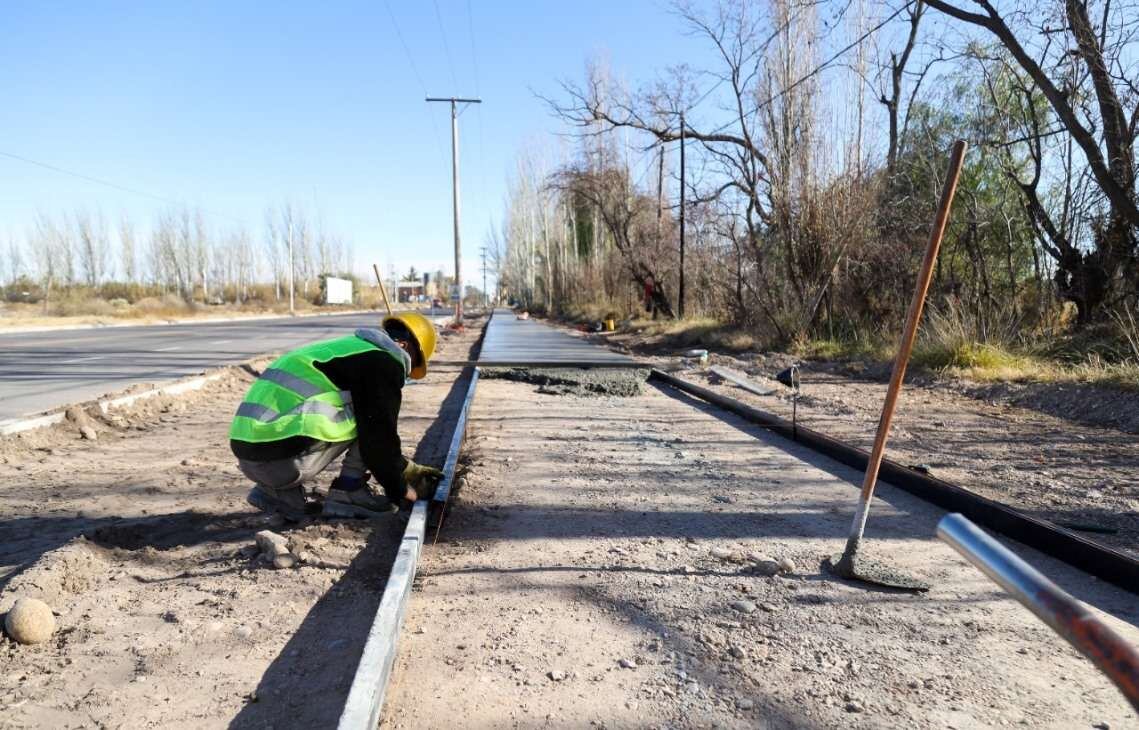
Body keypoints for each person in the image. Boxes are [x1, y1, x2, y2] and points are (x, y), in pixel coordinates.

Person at [229, 313, 443, 520]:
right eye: (412, 365)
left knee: (368, 412)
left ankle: (278, 493)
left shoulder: (347, 349)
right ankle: (349, 490)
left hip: (250, 457)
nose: (406, 373)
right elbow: (378, 439)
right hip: (281, 463)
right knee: (370, 417)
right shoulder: (384, 362)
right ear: (404, 346)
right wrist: (400, 488)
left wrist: (402, 466)